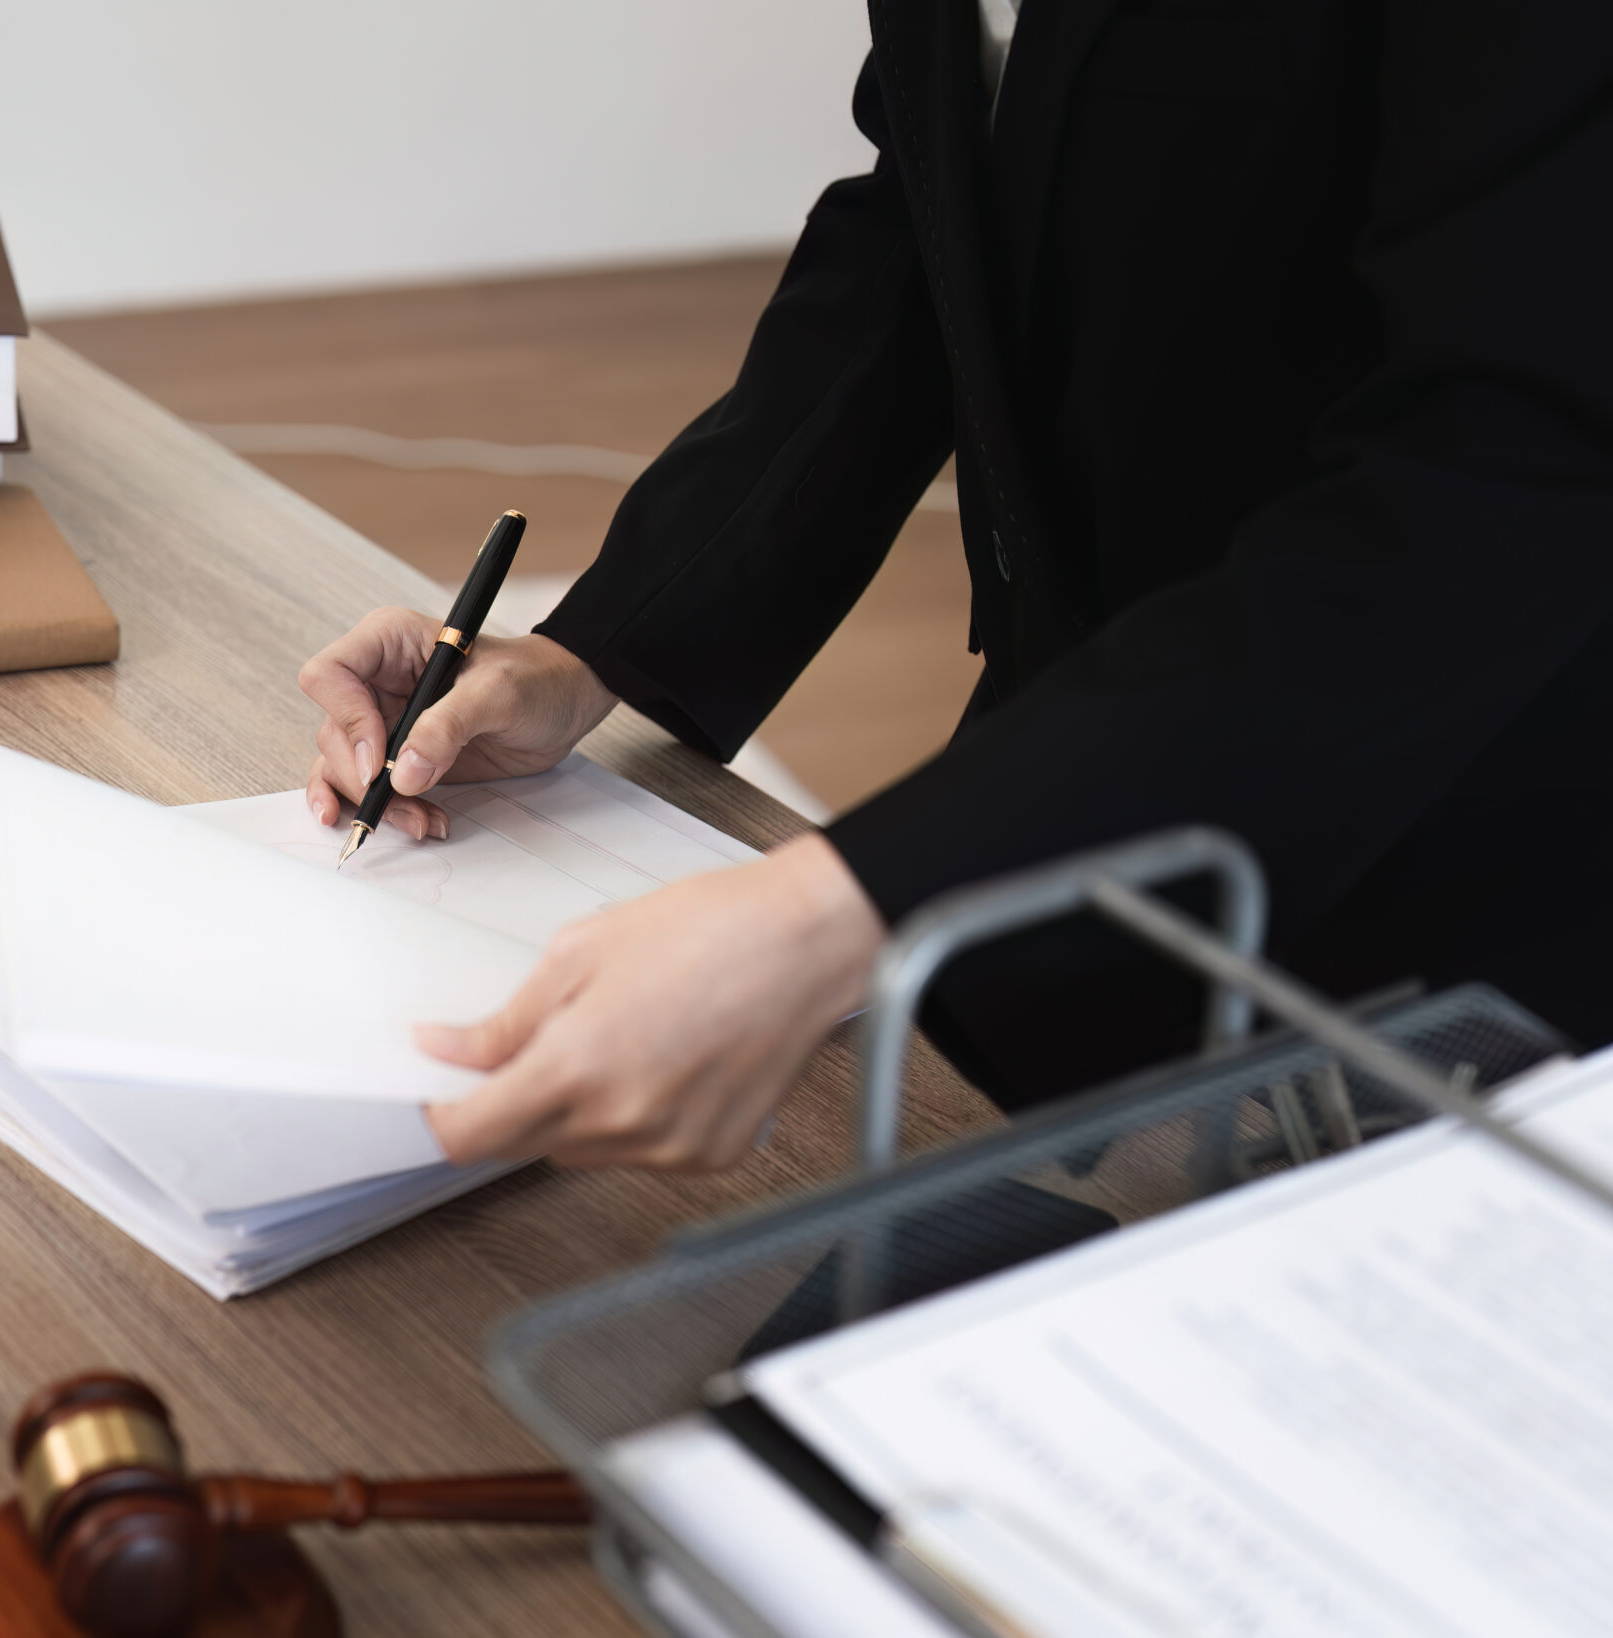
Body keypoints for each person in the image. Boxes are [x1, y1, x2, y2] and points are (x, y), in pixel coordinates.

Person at [298, 0, 1613, 1170]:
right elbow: (934, 215)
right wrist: (596, 648)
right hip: (1080, 767)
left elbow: (1506, 479)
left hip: (1457, 860)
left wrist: (842, 907)